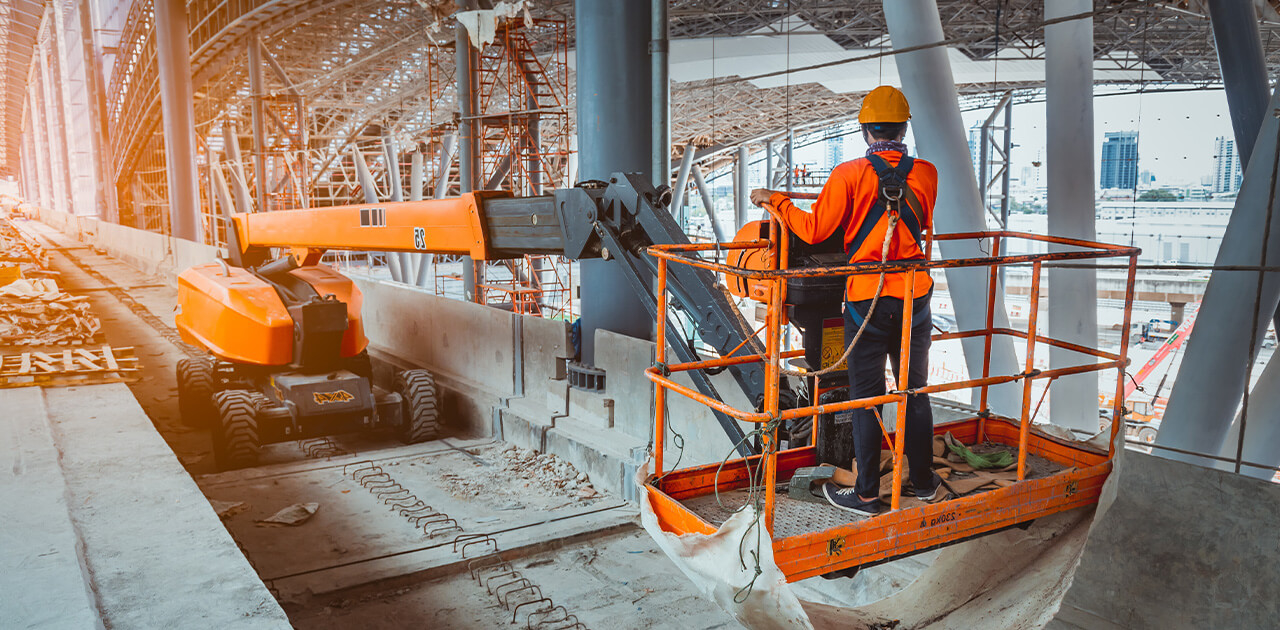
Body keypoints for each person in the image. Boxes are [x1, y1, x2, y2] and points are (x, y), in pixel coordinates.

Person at [749, 85, 943, 517]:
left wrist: (774, 199)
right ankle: (926, 482)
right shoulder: (928, 173)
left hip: (866, 298)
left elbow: (815, 230)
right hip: (915, 295)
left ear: (865, 130)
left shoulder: (849, 173)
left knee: (865, 396)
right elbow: (922, 223)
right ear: (903, 127)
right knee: (915, 390)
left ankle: (868, 494)